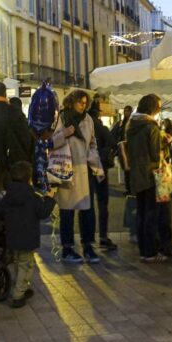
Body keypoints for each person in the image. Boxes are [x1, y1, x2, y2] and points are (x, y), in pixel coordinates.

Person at [53, 90, 104, 265]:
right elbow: (50, 142)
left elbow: (92, 143)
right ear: (72, 102)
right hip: (67, 168)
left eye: (85, 103)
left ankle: (88, 245)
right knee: (67, 211)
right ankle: (67, 248)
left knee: (87, 210)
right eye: (80, 102)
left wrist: (97, 167)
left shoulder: (88, 119)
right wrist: (65, 134)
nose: (83, 105)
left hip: (84, 170)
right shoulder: (61, 117)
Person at [2, 160, 56, 309]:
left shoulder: (8, 196)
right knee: (26, 264)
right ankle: (18, 294)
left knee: (18, 263)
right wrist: (51, 199)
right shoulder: (32, 196)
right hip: (27, 238)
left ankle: (22, 287)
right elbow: (43, 212)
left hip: (12, 238)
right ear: (29, 179)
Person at [126, 94, 164, 262]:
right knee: (151, 214)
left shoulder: (132, 126)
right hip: (150, 174)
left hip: (136, 174)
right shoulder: (151, 127)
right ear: (153, 108)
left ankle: (144, 250)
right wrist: (165, 142)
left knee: (141, 213)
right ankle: (150, 251)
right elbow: (155, 154)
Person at [88, 98, 117, 251]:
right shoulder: (100, 126)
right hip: (101, 168)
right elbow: (113, 142)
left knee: (89, 204)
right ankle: (103, 236)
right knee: (102, 203)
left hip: (87, 168)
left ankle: (89, 236)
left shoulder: (84, 125)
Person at [158, 119, 172, 256]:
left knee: (160, 211)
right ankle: (165, 244)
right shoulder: (158, 136)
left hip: (157, 176)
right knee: (164, 212)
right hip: (161, 176)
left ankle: (161, 243)